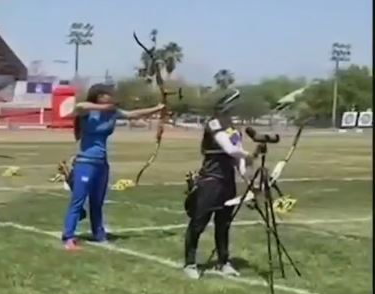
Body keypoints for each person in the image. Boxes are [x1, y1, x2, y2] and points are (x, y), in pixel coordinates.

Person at [60, 84, 165, 250]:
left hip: (102, 164)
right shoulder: (88, 111)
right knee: (78, 201)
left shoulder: (112, 113)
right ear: (99, 96)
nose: (111, 97)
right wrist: (102, 107)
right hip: (85, 163)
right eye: (107, 95)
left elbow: (133, 114)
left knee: (97, 202)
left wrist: (157, 108)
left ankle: (99, 234)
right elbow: (80, 106)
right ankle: (69, 237)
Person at [183, 96, 251, 279]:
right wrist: (248, 154)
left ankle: (223, 262)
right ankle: (190, 263)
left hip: (228, 181)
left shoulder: (233, 128)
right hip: (210, 181)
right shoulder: (214, 124)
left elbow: (238, 157)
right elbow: (230, 149)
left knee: (224, 224)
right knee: (198, 223)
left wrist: (246, 175)